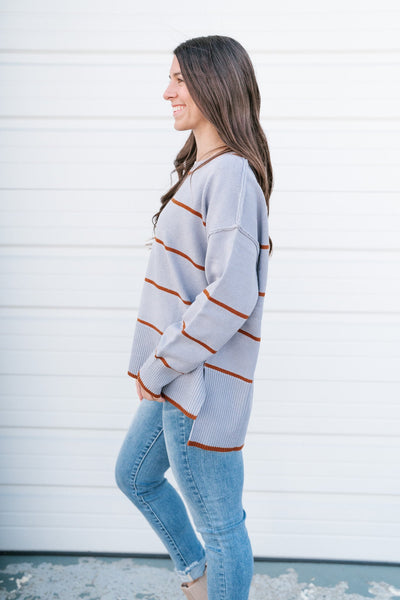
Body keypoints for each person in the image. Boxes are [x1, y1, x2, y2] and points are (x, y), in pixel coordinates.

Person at [115, 35, 273, 600]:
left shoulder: (230, 174)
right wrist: (159, 368)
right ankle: (199, 580)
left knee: (221, 526)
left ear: (214, 84)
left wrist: (159, 366)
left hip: (198, 386)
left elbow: (231, 294)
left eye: (179, 79)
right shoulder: (205, 170)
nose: (168, 92)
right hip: (178, 378)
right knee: (134, 475)